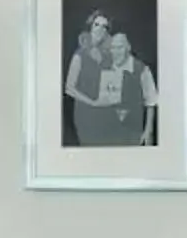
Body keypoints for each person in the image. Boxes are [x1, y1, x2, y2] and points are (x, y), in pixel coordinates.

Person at [71, 30, 159, 146]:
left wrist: (148, 131)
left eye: (120, 48)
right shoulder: (105, 66)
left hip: (133, 131)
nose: (115, 52)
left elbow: (151, 102)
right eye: (113, 48)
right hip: (107, 130)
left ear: (128, 48)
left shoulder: (141, 69)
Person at [62, 10, 111, 142]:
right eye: (97, 24)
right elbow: (69, 88)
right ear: (90, 28)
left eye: (104, 26)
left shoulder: (107, 55)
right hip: (86, 113)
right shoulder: (80, 55)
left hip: (105, 113)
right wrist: (93, 103)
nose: (100, 29)